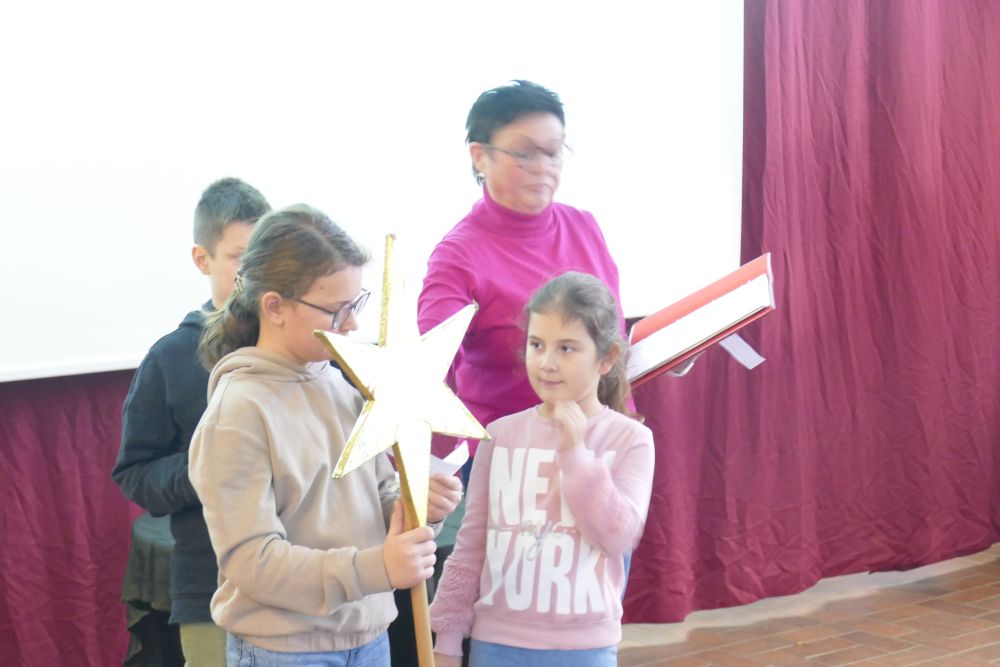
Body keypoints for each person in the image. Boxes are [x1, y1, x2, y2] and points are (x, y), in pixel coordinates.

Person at [187, 203, 463, 665]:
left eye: (356, 304)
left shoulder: (341, 386)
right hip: (287, 650)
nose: (352, 324)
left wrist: (418, 506)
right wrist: (377, 567)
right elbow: (252, 562)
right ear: (274, 306)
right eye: (336, 311)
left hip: (368, 638)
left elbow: (379, 496)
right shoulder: (238, 413)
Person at [429, 272, 655, 666]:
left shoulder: (631, 439)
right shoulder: (499, 436)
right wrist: (446, 641)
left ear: (606, 358)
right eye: (537, 345)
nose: (547, 362)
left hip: (584, 650)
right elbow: (470, 547)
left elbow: (616, 537)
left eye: (567, 348)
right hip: (496, 645)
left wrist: (575, 454)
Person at [418, 81, 626, 479]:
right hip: (513, 465)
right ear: (480, 156)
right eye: (524, 153)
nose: (544, 167)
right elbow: (430, 371)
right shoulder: (457, 256)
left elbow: (610, 336)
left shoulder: (583, 226)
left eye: (553, 152)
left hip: (603, 444)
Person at [112, 177, 270, 666]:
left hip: (306, 592)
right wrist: (203, 468)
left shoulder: (301, 348)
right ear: (203, 259)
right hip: (211, 592)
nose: (257, 272)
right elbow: (135, 473)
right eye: (240, 257)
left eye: (265, 255)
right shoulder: (171, 358)